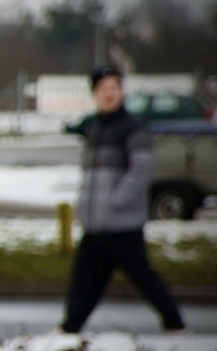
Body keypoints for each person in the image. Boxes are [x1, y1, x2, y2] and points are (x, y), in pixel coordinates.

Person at [61, 65, 184, 334]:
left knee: (144, 278)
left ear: (121, 91)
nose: (109, 94)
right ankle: (69, 329)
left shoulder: (132, 128)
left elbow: (142, 169)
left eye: (114, 88)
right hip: (96, 226)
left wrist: (116, 200)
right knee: (84, 281)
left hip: (122, 225)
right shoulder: (94, 129)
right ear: (95, 93)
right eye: (103, 89)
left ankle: (175, 324)